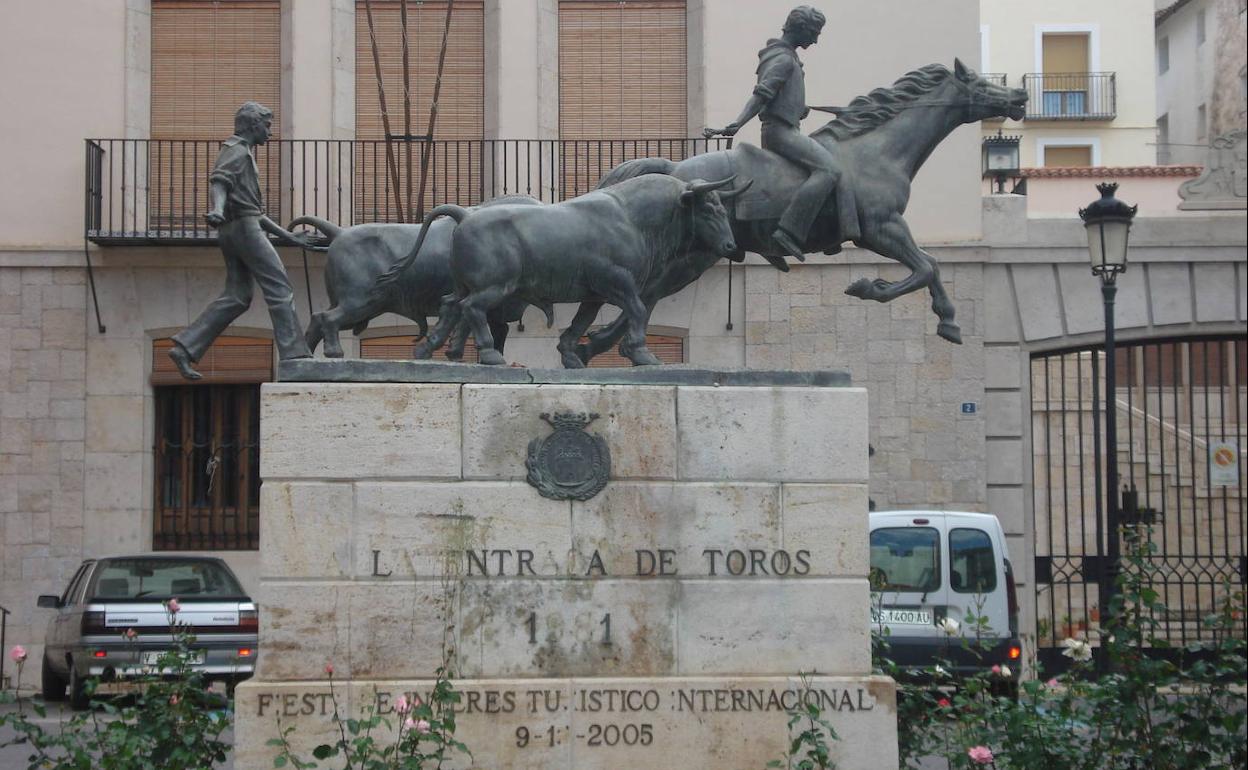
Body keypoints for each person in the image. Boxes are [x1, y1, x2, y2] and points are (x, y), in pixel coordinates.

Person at [167, 101, 313, 379]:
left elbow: (256, 213)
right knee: (279, 289)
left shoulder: (242, 152)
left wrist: (289, 237)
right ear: (253, 125)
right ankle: (295, 355)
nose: (270, 131)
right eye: (267, 126)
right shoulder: (237, 150)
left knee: (237, 296)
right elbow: (220, 181)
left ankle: (186, 347)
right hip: (243, 230)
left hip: (236, 229)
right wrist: (217, 209)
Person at [720, 5, 860, 259]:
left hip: (786, 128)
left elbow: (775, 97)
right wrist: (738, 123)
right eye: (814, 33)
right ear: (802, 29)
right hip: (781, 134)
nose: (815, 40)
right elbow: (762, 95)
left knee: (832, 160)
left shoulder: (786, 57)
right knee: (830, 170)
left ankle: (831, 233)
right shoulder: (783, 59)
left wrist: (797, 107)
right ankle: (790, 230)